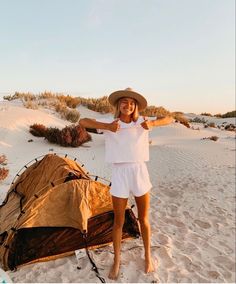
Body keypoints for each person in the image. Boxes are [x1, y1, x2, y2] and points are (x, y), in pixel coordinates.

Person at [79, 88, 173, 280]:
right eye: (124, 102)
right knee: (118, 222)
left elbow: (170, 118)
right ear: (118, 105)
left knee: (143, 219)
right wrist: (107, 127)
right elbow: (82, 121)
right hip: (120, 172)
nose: (128, 105)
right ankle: (117, 261)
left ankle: (147, 256)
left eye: (132, 103)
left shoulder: (141, 122)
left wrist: (153, 123)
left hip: (139, 171)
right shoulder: (110, 123)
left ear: (135, 105)